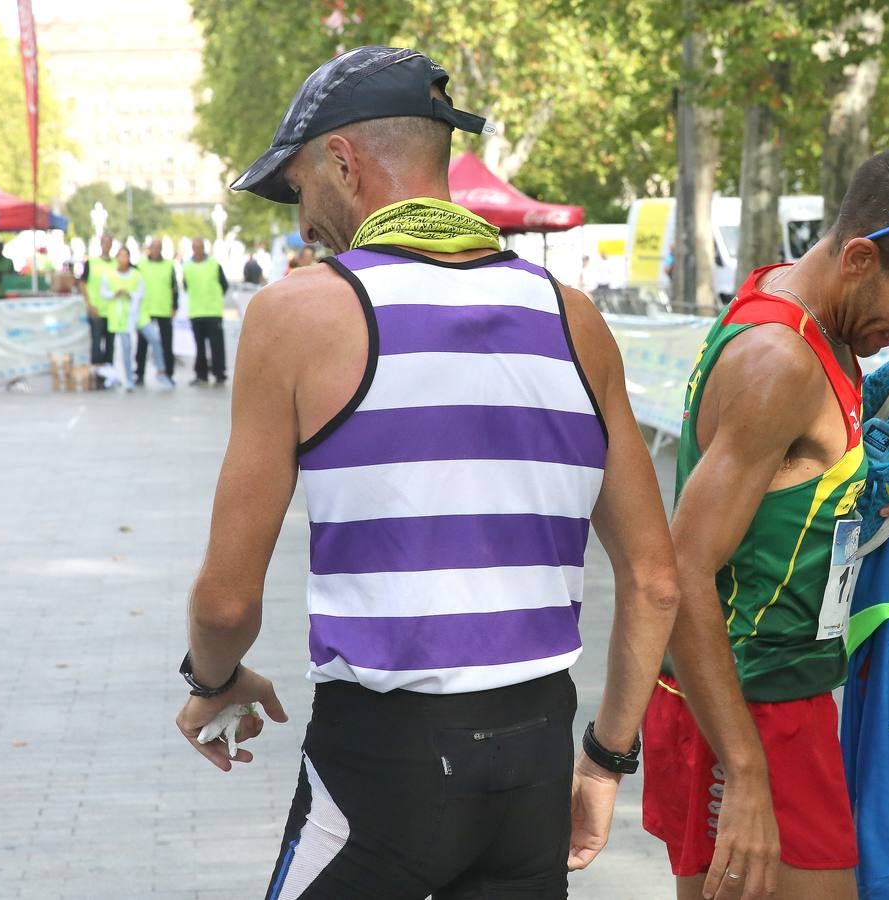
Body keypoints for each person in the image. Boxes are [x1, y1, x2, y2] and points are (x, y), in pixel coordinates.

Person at [173, 46, 683, 898]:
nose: (301, 224)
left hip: (384, 762)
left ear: (341, 161)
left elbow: (226, 600)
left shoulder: (301, 313)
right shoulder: (573, 317)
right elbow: (656, 580)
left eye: (298, 188)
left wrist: (212, 679)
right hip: (532, 752)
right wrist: (602, 763)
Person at [641, 143, 889, 900]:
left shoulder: (802, 308)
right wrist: (742, 771)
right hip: (747, 705)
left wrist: (867, 500)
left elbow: (775, 499)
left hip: (766, 697)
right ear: (860, 258)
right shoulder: (782, 361)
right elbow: (679, 570)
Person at [183, 237, 229, 385]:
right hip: (196, 312)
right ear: (192, 249)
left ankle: (219, 373)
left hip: (213, 312)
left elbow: (224, 285)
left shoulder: (214, 265)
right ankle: (201, 374)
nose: (198, 250)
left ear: (204, 248)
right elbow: (185, 286)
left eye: (200, 247)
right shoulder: (187, 266)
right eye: (195, 247)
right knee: (199, 346)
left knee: (217, 345)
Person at [100, 246, 145, 391]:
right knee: (109, 349)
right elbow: (103, 292)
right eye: (121, 256)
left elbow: (140, 293)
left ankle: (129, 379)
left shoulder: (136, 275)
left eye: (126, 256)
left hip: (128, 318)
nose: (123, 259)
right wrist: (115, 294)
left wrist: (129, 294)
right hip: (113, 317)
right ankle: (110, 377)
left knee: (127, 349)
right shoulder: (109, 274)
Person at [135, 235, 178, 387]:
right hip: (145, 310)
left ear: (161, 249)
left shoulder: (168, 265)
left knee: (167, 344)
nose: (155, 250)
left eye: (158, 247)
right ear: (149, 249)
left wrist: (175, 306)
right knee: (142, 344)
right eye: (153, 247)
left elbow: (174, 287)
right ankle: (139, 374)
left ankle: (168, 373)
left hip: (164, 309)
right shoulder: (141, 265)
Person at [81, 234, 117, 380]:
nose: (107, 245)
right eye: (104, 242)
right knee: (96, 344)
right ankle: (96, 374)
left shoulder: (116, 264)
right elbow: (82, 283)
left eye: (109, 243)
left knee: (110, 344)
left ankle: (108, 374)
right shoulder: (92, 262)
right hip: (96, 309)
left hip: (112, 311)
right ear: (101, 244)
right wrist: (89, 305)